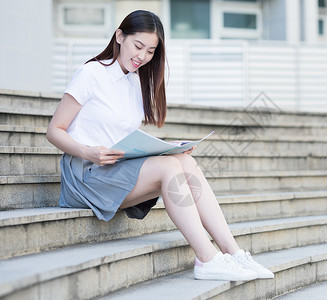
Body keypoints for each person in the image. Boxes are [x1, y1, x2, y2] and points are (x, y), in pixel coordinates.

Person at [46, 10, 273, 281]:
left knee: (185, 162)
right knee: (169, 169)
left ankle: (232, 252)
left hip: (114, 172)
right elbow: (54, 130)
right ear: (120, 36)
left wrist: (167, 147)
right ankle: (206, 258)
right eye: (138, 46)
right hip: (84, 176)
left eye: (150, 51)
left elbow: (129, 139)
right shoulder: (91, 73)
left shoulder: (134, 81)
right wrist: (88, 152)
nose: (142, 57)